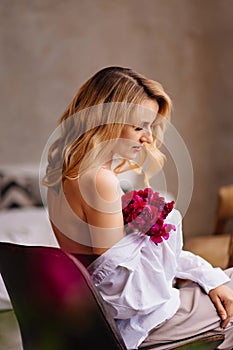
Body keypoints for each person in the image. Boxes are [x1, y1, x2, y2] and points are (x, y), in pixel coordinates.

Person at [42, 66, 233, 349]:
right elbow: (122, 295)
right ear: (107, 120)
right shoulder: (99, 180)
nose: (148, 139)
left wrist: (208, 277)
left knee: (225, 280)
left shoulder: (63, 175)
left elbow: (116, 268)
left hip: (108, 319)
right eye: (139, 126)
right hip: (140, 326)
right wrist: (154, 230)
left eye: (150, 127)